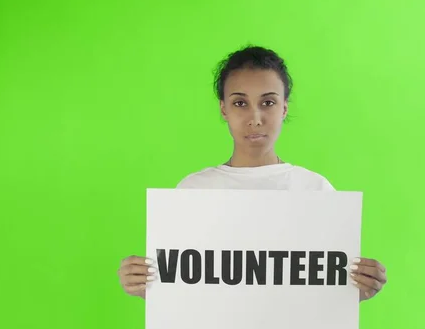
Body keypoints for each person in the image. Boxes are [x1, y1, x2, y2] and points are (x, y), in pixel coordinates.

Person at [117, 45, 387, 302]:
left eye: (268, 102)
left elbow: (321, 294)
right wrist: (146, 285)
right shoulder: (194, 191)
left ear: (284, 108)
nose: (255, 118)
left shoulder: (315, 190)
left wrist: (357, 290)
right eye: (240, 103)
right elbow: (185, 291)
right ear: (224, 108)